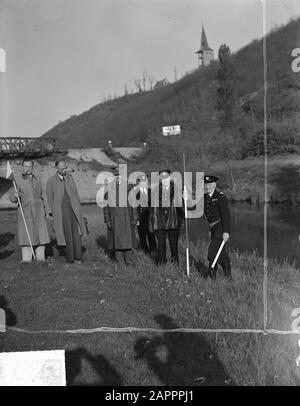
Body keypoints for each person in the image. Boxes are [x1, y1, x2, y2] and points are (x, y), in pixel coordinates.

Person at [9, 159, 50, 263]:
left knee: (41, 234)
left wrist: (46, 210)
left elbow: (43, 196)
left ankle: (41, 258)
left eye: (29, 166)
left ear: (32, 167)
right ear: (23, 167)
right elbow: (12, 199)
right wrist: (14, 196)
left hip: (39, 210)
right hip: (25, 210)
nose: (28, 168)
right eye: (26, 166)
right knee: (26, 235)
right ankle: (27, 260)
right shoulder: (17, 180)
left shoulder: (38, 179)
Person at [46, 160, 86, 264]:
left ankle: (79, 257)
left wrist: (78, 206)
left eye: (64, 168)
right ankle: (71, 258)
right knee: (66, 234)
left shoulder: (70, 178)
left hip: (74, 210)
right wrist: (52, 213)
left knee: (76, 234)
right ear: (57, 168)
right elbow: (50, 198)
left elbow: (75, 193)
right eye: (61, 169)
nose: (63, 170)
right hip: (61, 212)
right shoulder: (51, 181)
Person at [103, 169, 138, 266]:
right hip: (114, 218)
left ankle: (129, 262)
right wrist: (107, 220)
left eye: (119, 174)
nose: (117, 177)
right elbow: (105, 206)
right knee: (117, 240)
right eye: (115, 175)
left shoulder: (129, 187)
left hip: (127, 217)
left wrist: (135, 218)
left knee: (128, 240)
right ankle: (119, 262)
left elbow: (134, 204)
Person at [149, 170, 184, 265]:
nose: (164, 179)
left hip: (173, 219)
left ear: (169, 178)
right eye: (162, 177)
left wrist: (184, 199)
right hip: (159, 220)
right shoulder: (155, 190)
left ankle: (175, 262)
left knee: (174, 244)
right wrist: (151, 222)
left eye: (166, 177)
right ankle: (161, 262)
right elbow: (152, 208)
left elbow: (181, 207)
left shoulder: (177, 189)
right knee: (161, 244)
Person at [204, 175, 232, 280]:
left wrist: (226, 232)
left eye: (210, 184)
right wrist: (185, 198)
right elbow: (194, 208)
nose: (208, 186)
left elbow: (226, 216)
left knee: (212, 250)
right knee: (221, 252)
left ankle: (211, 276)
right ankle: (228, 274)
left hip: (221, 227)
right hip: (213, 229)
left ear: (214, 185)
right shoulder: (204, 197)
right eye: (206, 184)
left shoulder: (221, 197)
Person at [133, 174, 156, 255]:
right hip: (141, 216)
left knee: (151, 233)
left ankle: (153, 250)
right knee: (142, 235)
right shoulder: (135, 193)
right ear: (139, 182)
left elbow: (154, 205)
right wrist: (136, 219)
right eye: (142, 181)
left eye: (145, 180)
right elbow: (135, 207)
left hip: (149, 215)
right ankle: (145, 251)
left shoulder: (151, 191)